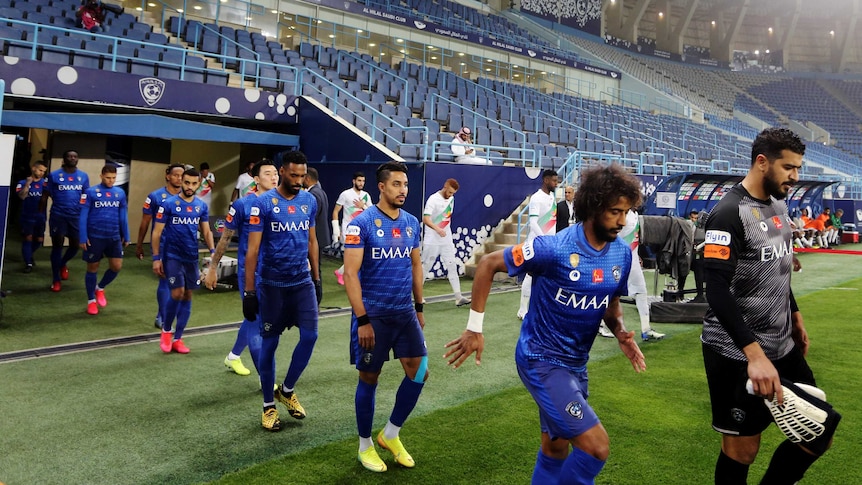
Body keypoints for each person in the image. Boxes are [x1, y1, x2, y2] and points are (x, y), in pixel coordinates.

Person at [443, 163, 646, 484]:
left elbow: (611, 301)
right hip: (541, 361)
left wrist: (620, 331)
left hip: (576, 366)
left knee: (555, 450)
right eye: (614, 212)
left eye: (626, 212)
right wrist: (474, 327)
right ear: (593, 208)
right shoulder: (553, 248)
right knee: (596, 448)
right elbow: (488, 264)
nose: (622, 221)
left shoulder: (620, 254)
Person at [701, 128, 836, 484]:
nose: (795, 176)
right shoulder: (728, 214)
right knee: (742, 450)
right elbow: (715, 290)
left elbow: (778, 267)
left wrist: (794, 314)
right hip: (735, 352)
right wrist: (754, 356)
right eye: (788, 167)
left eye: (798, 167)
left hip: (783, 344)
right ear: (762, 162)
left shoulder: (779, 203)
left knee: (820, 431)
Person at [343, 161, 426, 473]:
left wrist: (419, 307)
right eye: (396, 184)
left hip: (404, 313)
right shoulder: (360, 224)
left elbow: (416, 266)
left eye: (405, 184)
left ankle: (390, 434)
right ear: (381, 187)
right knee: (369, 378)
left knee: (419, 372)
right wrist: (362, 319)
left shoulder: (411, 223)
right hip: (373, 315)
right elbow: (350, 274)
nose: (402, 190)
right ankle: (365, 446)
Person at [242, 151, 321, 432]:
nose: (299, 181)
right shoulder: (262, 204)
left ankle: (286, 390)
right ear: (282, 172)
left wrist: (317, 277)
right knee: (270, 344)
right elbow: (252, 251)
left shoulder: (309, 201)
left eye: (303, 176)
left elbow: (312, 241)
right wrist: (249, 292)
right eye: (294, 175)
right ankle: (268, 406)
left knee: (311, 336)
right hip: (271, 286)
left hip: (302, 283)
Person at [204, 159, 280, 377]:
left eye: (275, 173)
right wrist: (213, 267)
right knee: (257, 324)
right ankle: (267, 382)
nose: (274, 177)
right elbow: (225, 238)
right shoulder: (242, 205)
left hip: (274, 272)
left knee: (257, 321)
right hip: (250, 273)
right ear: (256, 179)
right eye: (268, 174)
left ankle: (233, 356)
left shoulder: (282, 203)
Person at [151, 168, 215, 354]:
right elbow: (156, 232)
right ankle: (166, 331)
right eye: (187, 183)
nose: (190, 187)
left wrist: (212, 252)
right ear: (182, 182)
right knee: (177, 293)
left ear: (199, 184)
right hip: (172, 256)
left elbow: (206, 231)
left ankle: (178, 339)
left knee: (188, 295)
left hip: (191, 258)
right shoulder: (168, 204)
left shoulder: (201, 206)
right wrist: (156, 258)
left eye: (194, 183)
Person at [136, 163, 184, 328]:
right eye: (176, 175)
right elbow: (145, 223)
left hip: (183, 247)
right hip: (163, 245)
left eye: (181, 175)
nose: (179, 178)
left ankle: (164, 314)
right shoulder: (155, 196)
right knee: (165, 281)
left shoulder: (188, 197)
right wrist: (139, 244)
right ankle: (163, 317)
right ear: (168, 176)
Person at [78, 164, 130, 315]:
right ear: (101, 176)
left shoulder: (119, 193)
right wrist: (83, 236)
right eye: (108, 178)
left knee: (116, 266)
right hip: (95, 237)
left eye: (113, 178)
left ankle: (99, 288)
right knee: (92, 268)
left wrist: (126, 234)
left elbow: (123, 216)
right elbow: (83, 215)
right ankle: (91, 301)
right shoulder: (90, 192)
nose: (111, 181)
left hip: (113, 237)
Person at [42, 149, 90, 292]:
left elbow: (86, 196)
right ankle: (56, 279)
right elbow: (46, 194)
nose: (72, 158)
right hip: (58, 215)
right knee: (58, 245)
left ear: (77, 159)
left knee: (75, 245)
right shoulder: (54, 175)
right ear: (64, 159)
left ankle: (62, 263)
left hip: (76, 216)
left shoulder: (83, 176)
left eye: (75, 156)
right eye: (69, 156)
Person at [421, 178, 470, 306]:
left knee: (452, 265)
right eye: (449, 192)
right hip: (432, 239)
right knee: (425, 266)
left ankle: (458, 297)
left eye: (453, 193)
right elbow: (426, 219)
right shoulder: (433, 199)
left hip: (446, 239)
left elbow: (446, 218)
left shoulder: (451, 199)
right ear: (445, 187)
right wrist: (437, 229)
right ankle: (418, 296)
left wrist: (445, 232)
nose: (450, 195)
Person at [517, 169, 558, 320]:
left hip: (550, 244)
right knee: (530, 275)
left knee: (548, 276)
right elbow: (533, 222)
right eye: (554, 180)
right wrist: (544, 239)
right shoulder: (536, 198)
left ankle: (543, 308)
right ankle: (522, 310)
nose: (556, 183)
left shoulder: (552, 197)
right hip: (537, 243)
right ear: (546, 180)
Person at [620, 209, 664, 341]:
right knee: (609, 295)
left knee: (641, 291)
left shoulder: (634, 214)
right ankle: (599, 325)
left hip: (632, 262)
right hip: (618, 261)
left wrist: (636, 254)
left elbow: (634, 238)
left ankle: (646, 329)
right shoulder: (620, 214)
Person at [331, 172, 371, 285]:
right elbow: (335, 211)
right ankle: (348, 276)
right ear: (354, 181)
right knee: (354, 255)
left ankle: (341, 272)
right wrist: (336, 230)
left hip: (362, 230)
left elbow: (372, 212)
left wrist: (362, 206)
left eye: (363, 181)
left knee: (361, 255)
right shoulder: (345, 194)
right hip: (349, 229)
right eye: (359, 180)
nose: (361, 183)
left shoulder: (366, 196)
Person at [15, 160, 48, 273]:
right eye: (40, 170)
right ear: (34, 168)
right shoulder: (22, 182)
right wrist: (28, 184)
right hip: (27, 216)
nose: (41, 173)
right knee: (28, 238)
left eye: (43, 171)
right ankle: (28, 263)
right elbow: (21, 196)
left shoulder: (45, 184)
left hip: (40, 216)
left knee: (39, 240)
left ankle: (29, 254)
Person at [305, 167, 330, 294]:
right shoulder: (320, 192)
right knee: (316, 267)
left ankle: (314, 295)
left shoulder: (312, 194)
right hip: (320, 236)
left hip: (314, 238)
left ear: (307, 178)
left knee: (314, 268)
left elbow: (310, 218)